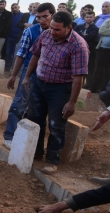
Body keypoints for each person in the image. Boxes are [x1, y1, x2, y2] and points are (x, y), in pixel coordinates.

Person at [23, 11, 89, 175]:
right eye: (52, 28)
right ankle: (36, 152)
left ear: (68, 28)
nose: (52, 32)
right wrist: (26, 77)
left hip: (60, 89)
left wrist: (72, 102)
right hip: (39, 82)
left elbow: (78, 77)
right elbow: (35, 56)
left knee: (56, 125)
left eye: (57, 30)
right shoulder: (45, 35)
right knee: (35, 118)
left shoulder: (78, 45)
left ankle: (52, 160)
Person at [3, 3, 55, 148]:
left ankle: (29, 142)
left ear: (52, 15)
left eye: (45, 16)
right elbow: (21, 53)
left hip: (50, 76)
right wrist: (14, 75)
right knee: (20, 103)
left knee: (37, 109)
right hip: (30, 72)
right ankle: (10, 136)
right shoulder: (31, 31)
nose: (42, 20)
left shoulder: (58, 32)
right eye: (38, 17)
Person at [75, 11, 99, 87]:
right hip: (78, 49)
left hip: (90, 50)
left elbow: (91, 37)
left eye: (90, 17)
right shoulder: (79, 26)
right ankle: (79, 84)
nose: (88, 19)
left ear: (94, 18)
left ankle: (88, 84)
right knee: (79, 66)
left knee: (89, 67)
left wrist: (81, 35)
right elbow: (74, 33)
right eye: (87, 17)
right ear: (84, 18)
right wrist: (83, 35)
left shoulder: (95, 28)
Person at [89, 18, 110, 93]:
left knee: (108, 71)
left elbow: (105, 31)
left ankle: (104, 89)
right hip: (102, 49)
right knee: (98, 69)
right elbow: (101, 31)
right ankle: (94, 88)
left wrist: (108, 30)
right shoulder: (108, 20)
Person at [5, 3, 23, 72]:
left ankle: (14, 68)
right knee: (8, 52)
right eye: (12, 8)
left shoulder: (22, 15)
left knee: (15, 54)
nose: (14, 9)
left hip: (18, 37)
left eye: (15, 7)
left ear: (19, 7)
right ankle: (7, 67)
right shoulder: (10, 15)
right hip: (10, 36)